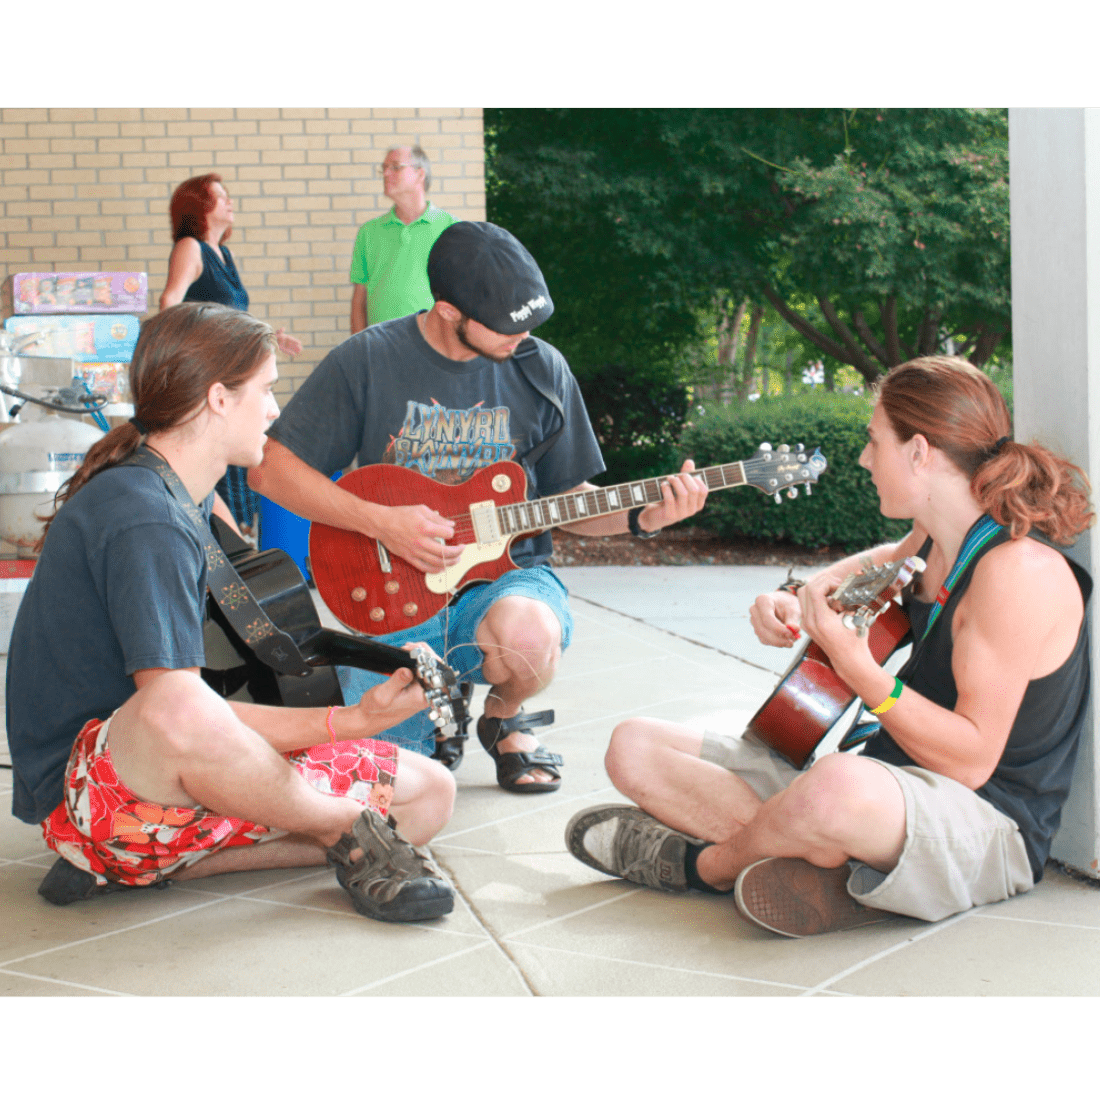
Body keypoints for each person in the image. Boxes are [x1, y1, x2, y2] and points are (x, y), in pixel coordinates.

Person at [566, 356, 1093, 937]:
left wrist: (857, 668)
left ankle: (705, 866)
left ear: (919, 451)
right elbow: (881, 560)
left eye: (874, 441)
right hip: (883, 780)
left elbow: (971, 762)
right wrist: (802, 593)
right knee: (633, 746)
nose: (865, 459)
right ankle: (823, 862)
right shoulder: (936, 533)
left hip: (984, 821)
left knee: (834, 788)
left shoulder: (1018, 572)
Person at [7, 302, 457, 924]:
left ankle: (152, 867)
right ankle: (347, 833)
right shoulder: (144, 516)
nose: (274, 409)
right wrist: (343, 723)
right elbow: (178, 714)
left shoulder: (184, 494)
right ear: (218, 398)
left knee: (431, 795)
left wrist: (356, 720)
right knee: (180, 701)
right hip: (89, 794)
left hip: (156, 788)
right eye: (267, 389)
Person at [250, 221, 709, 792]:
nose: (523, 341)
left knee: (527, 642)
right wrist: (383, 523)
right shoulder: (369, 360)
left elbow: (569, 502)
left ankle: (501, 714)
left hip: (503, 581)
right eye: (504, 329)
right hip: (393, 594)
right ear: (447, 311)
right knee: (386, 785)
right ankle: (436, 705)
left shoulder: (542, 370)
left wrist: (644, 516)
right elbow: (269, 469)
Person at [160, 173, 303, 533]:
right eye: (221, 197)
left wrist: (270, 335)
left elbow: (231, 314)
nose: (230, 202)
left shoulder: (226, 254)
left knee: (244, 449)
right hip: (210, 376)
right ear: (200, 206)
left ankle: (240, 536)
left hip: (235, 373)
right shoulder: (190, 248)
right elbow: (169, 304)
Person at [349, 145, 456, 333]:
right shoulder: (369, 232)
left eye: (396, 167)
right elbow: (359, 300)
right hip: (380, 345)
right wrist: (359, 350)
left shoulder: (451, 228)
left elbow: (462, 294)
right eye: (384, 168)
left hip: (435, 345)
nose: (386, 174)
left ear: (420, 174)